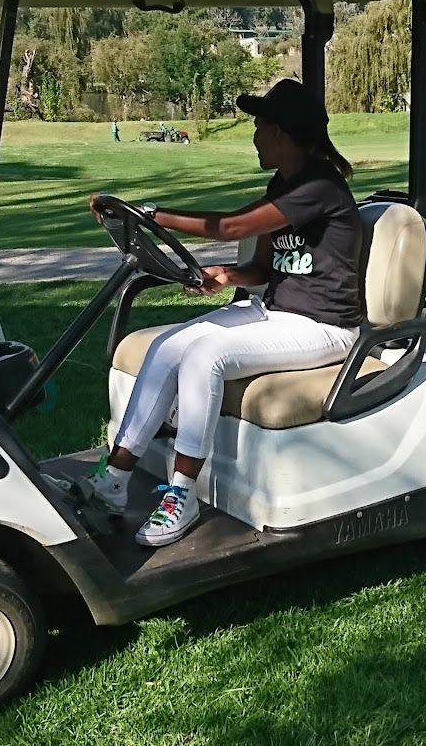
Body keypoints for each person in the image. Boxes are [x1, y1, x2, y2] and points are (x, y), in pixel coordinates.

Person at [88, 79, 363, 548]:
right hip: (277, 311)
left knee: (205, 355)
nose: (254, 136)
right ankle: (114, 477)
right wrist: (229, 276)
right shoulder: (285, 183)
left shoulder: (319, 187)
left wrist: (151, 214)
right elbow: (266, 265)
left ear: (280, 132)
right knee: (169, 344)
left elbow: (231, 225)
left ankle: (183, 494)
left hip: (327, 327)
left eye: (259, 127)